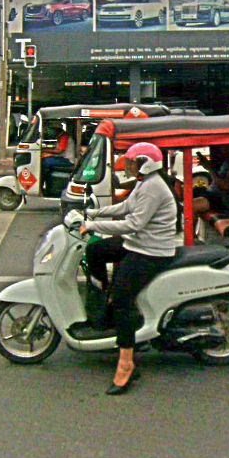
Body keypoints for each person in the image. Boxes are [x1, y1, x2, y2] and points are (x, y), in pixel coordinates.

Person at [82, 142, 179, 395]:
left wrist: (93, 226)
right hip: (137, 244)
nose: (128, 166)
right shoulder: (144, 183)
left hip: (151, 251)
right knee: (95, 251)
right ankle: (103, 297)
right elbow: (125, 207)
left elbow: (133, 224)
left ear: (146, 163)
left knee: (122, 300)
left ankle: (126, 364)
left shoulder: (154, 187)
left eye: (132, 162)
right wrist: (93, 213)